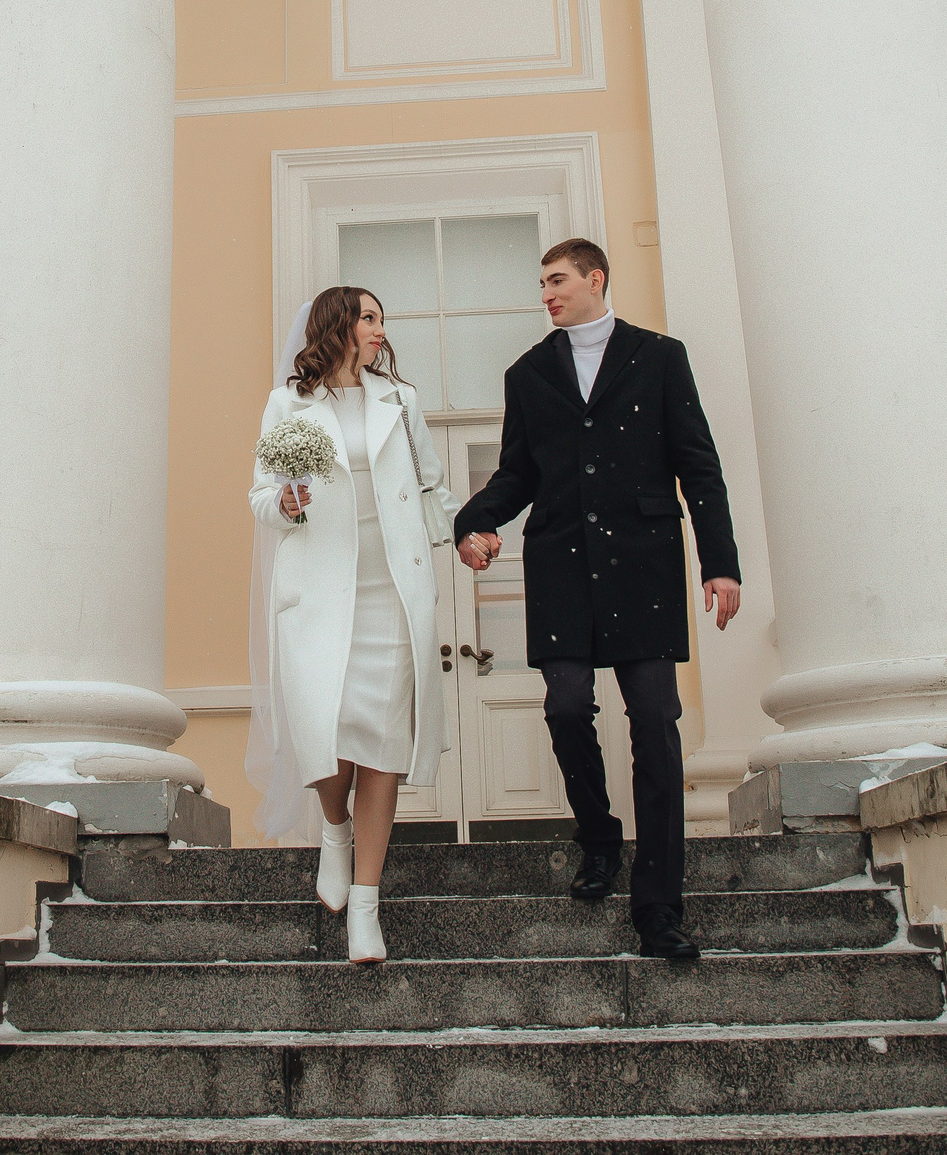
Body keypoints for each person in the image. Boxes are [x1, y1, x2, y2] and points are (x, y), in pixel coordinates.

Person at [455, 239, 741, 961]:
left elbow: (698, 465)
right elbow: (517, 472)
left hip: (642, 565)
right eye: (542, 282)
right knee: (563, 705)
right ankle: (599, 833)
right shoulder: (528, 373)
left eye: (557, 280)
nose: (546, 293)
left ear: (595, 278)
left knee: (655, 721)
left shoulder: (660, 357)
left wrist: (721, 563)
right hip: (560, 567)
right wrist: (475, 520)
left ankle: (659, 906)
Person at [247, 286, 460, 963]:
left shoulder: (402, 400)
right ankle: (332, 829)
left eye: (380, 319)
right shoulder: (290, 404)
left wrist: (465, 535)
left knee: (382, 743)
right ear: (338, 326)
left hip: (391, 591)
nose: (378, 330)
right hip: (320, 590)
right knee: (326, 729)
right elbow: (261, 494)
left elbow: (432, 486)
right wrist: (285, 498)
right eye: (369, 317)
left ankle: (365, 905)